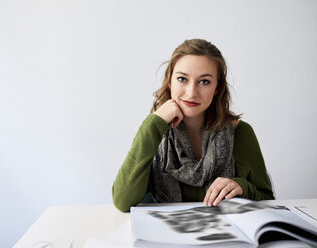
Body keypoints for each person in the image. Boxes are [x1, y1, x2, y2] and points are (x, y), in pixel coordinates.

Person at [112, 38, 274, 212]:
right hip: (166, 234)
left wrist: (241, 186)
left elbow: (268, 200)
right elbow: (123, 202)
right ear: (170, 82)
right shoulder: (155, 131)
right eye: (182, 79)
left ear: (217, 88)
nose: (191, 93)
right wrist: (152, 124)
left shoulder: (241, 133)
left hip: (223, 236)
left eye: (204, 82)